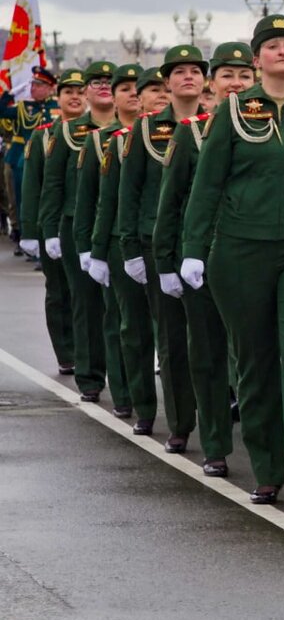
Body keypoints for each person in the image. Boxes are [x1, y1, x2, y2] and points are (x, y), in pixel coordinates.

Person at [182, 14, 284, 503]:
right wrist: (193, 250)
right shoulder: (232, 114)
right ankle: (268, 467)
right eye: (273, 45)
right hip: (240, 251)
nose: (283, 51)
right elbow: (206, 186)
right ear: (256, 60)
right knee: (256, 363)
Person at [154, 43, 257, 475]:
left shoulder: (272, 128)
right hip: (204, 259)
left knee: (258, 356)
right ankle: (215, 444)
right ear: (213, 85)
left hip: (256, 257)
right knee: (209, 355)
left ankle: (268, 444)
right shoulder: (191, 132)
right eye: (227, 76)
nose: (237, 84)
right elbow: (171, 204)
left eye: (244, 76)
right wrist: (166, 261)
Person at [119, 46, 206, 454]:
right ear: (167, 82)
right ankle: (181, 422)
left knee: (213, 337)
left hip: (211, 243)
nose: (188, 77)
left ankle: (217, 414)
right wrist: (130, 246)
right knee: (171, 340)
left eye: (195, 71)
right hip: (161, 245)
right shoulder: (146, 128)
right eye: (179, 72)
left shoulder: (220, 123)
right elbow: (130, 190)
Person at [88, 68, 166, 436]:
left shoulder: (193, 132)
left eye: (153, 89)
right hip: (128, 244)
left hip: (171, 245)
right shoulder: (117, 141)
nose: (143, 96)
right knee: (132, 329)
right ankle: (140, 403)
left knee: (171, 332)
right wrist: (99, 250)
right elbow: (108, 201)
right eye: (137, 90)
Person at [39, 60, 119, 401]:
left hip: (118, 227)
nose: (102, 86)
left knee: (120, 310)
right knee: (86, 306)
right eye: (95, 82)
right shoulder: (68, 133)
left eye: (109, 81)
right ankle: (89, 377)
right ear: (86, 91)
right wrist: (47, 229)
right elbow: (53, 183)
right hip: (78, 226)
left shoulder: (132, 130)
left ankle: (124, 380)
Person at [74, 63, 144, 421]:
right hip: (116, 240)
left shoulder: (159, 133)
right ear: (113, 97)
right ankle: (124, 391)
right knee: (120, 320)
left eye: (138, 87)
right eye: (124, 88)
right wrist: (90, 248)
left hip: (153, 240)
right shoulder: (102, 140)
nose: (133, 93)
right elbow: (90, 199)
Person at [19, 68, 83, 375]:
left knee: (89, 296)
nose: (75, 97)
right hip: (54, 225)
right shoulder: (44, 135)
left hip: (86, 226)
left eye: (80, 92)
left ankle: (89, 351)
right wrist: (31, 231)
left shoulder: (100, 133)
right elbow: (32, 187)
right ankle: (66, 351)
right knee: (60, 292)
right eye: (69, 92)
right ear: (59, 97)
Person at [0, 65, 58, 243]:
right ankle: (27, 236)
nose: (32, 88)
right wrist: (10, 94)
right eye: (32, 85)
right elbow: (2, 111)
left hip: (51, 161)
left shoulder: (57, 106)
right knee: (23, 199)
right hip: (25, 161)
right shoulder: (24, 107)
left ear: (49, 88)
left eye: (38, 85)